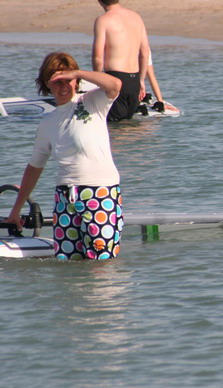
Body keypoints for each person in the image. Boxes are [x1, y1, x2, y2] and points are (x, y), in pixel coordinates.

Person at [3, 52, 124, 260]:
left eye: (68, 80)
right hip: (64, 196)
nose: (64, 86)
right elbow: (34, 167)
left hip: (100, 192)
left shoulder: (92, 101)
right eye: (57, 81)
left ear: (76, 81)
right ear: (46, 83)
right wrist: (16, 209)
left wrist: (76, 72)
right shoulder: (47, 123)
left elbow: (115, 85)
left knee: (102, 262)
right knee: (67, 263)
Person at [93, 0, 150, 121]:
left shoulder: (103, 20)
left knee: (114, 130)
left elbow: (98, 58)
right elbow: (145, 52)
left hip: (115, 78)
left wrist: (98, 80)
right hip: (134, 80)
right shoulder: (136, 17)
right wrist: (141, 81)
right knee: (127, 127)